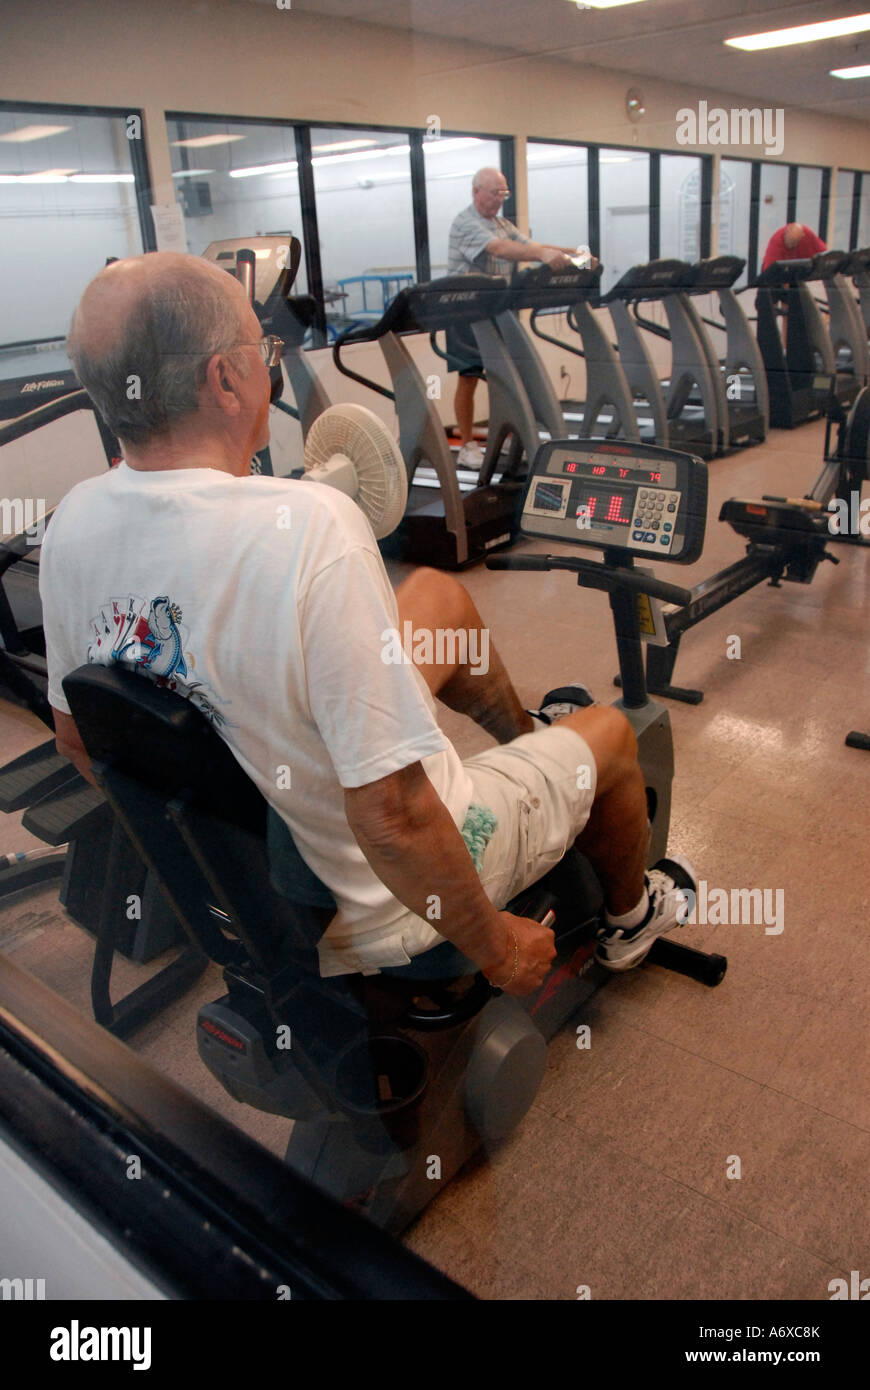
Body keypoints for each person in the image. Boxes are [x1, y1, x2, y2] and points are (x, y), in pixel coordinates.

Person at [41, 251, 695, 998]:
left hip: (271, 836)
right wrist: (495, 945)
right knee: (611, 733)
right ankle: (632, 917)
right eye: (264, 350)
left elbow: (78, 741)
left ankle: (530, 739)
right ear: (225, 380)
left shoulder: (72, 523)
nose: (270, 365)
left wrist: (222, 862)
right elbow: (394, 817)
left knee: (439, 603)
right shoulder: (315, 527)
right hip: (379, 894)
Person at [446, 167, 594, 468]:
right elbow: (501, 249)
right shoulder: (465, 223)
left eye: (504, 193)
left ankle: (509, 436)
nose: (500, 199)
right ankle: (467, 446)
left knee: (507, 376)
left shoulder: (501, 223)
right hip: (465, 311)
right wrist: (540, 256)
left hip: (497, 310)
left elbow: (531, 247)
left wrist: (579, 255)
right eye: (494, 193)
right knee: (470, 377)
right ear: (476, 192)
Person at [762, 221, 826, 272]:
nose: (790, 247)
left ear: (802, 236)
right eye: (789, 242)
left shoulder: (807, 234)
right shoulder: (776, 241)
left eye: (794, 243)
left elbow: (824, 254)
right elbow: (769, 271)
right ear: (785, 234)